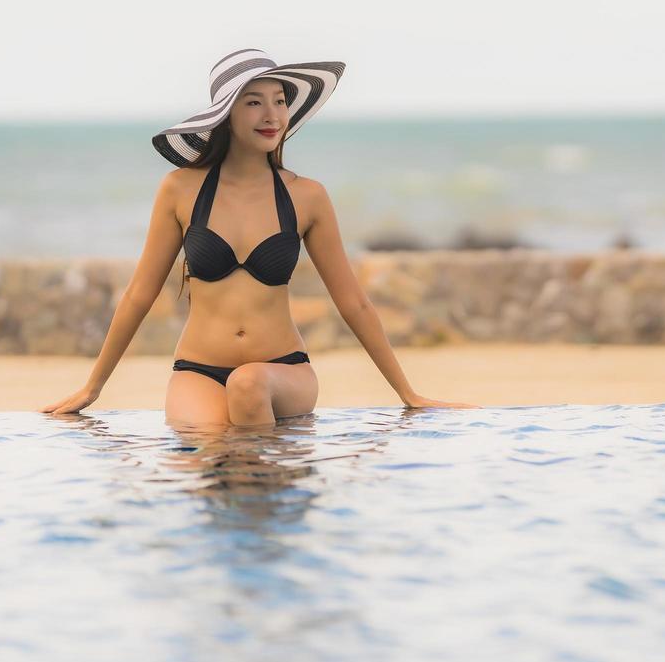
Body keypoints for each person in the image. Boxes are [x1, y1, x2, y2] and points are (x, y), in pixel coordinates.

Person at [39, 48, 479, 428]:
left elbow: (353, 301)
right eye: (254, 103)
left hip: (282, 372)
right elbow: (139, 293)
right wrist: (92, 388)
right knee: (208, 450)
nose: (272, 116)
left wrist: (408, 393)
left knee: (247, 385)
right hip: (198, 371)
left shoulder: (306, 196)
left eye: (279, 102)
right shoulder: (181, 189)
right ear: (226, 115)